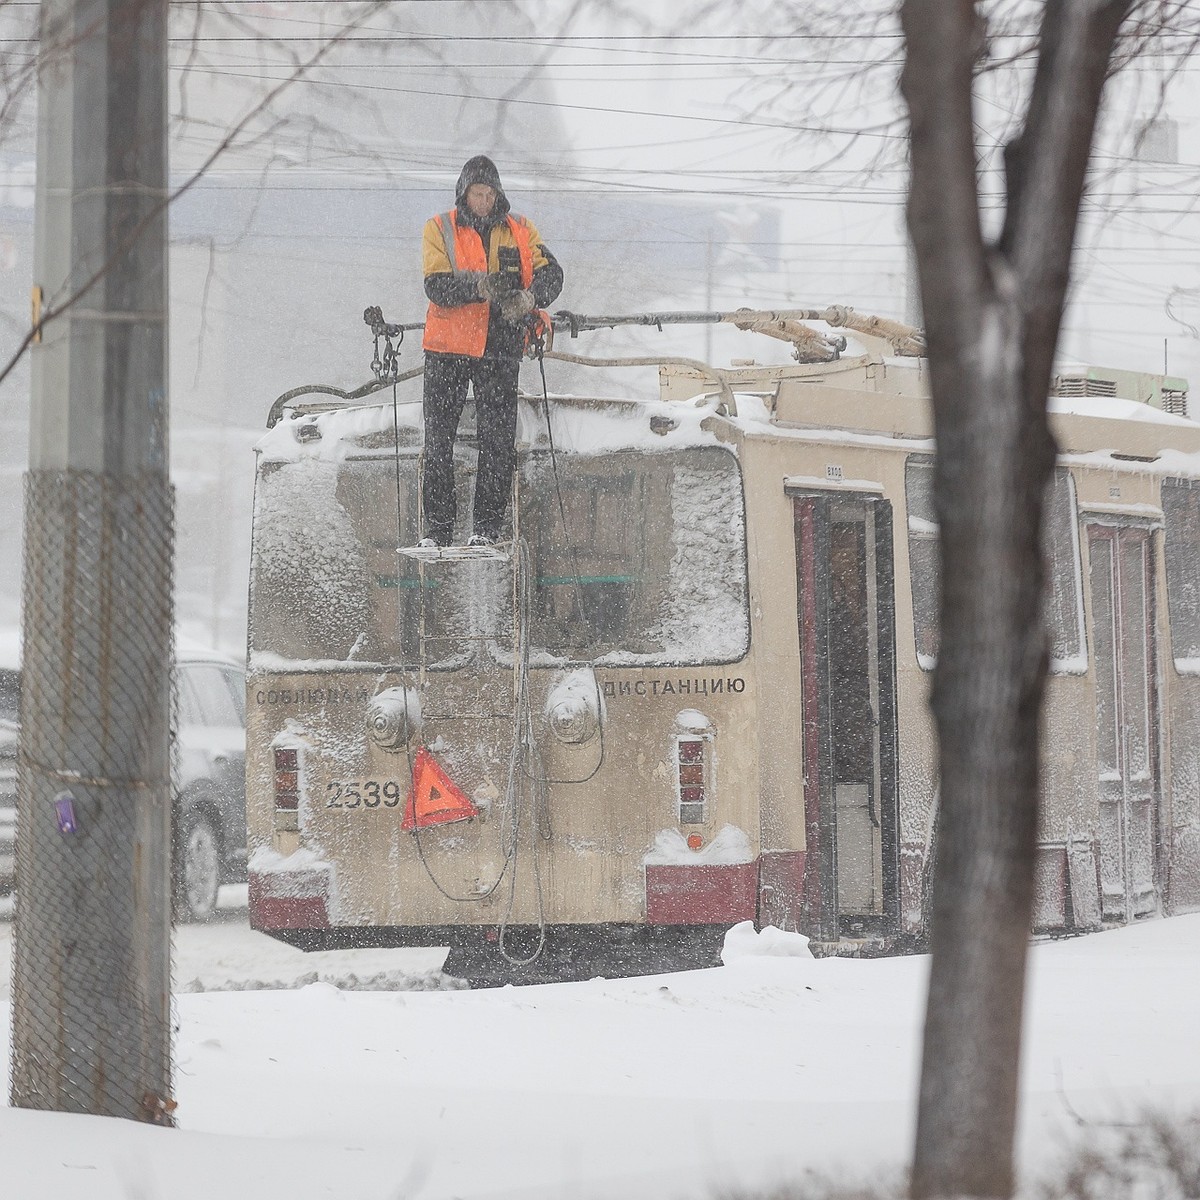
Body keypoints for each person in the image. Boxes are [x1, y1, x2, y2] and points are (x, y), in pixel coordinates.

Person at [419, 155, 564, 548]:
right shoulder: (439, 228)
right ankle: (438, 530)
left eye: (488, 193)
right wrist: (481, 288)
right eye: (476, 193)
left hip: (499, 348)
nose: (483, 200)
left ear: (497, 194)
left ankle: (486, 529)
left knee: (498, 441)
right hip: (446, 351)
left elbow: (553, 272)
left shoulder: (521, 229)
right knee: (437, 441)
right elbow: (436, 286)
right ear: (463, 194)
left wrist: (530, 298)